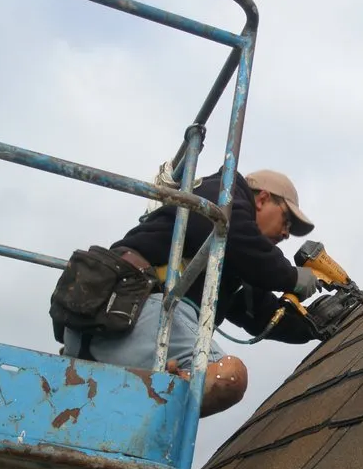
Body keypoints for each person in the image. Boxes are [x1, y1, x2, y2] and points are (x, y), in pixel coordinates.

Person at [62, 168, 320, 416]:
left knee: (201, 377)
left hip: (119, 326)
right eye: (286, 220)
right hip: (129, 309)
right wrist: (292, 276)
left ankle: (162, 386)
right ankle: (161, 392)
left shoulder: (226, 258)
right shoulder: (222, 192)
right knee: (227, 375)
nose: (286, 233)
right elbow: (242, 240)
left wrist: (313, 324)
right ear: (263, 199)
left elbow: (259, 312)